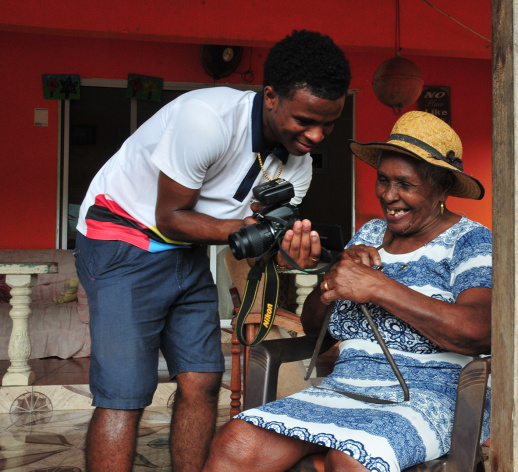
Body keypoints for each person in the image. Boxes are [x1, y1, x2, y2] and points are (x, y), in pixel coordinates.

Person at [73, 30, 351, 472]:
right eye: (305, 120)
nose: (317, 135)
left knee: (203, 379)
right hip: (121, 237)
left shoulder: (297, 164)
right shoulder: (207, 119)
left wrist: (292, 254)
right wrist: (248, 229)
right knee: (125, 393)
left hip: (184, 249)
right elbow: (170, 216)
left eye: (329, 123)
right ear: (271, 96)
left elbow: (264, 244)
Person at [203, 111, 493, 472]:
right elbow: (316, 331)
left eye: (406, 184)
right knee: (234, 442)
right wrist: (333, 281)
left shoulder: (471, 240)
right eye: (383, 180)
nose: (389, 195)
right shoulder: (370, 234)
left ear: (442, 187)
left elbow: (478, 332)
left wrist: (377, 287)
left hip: (431, 397)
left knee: (351, 458)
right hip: (344, 390)